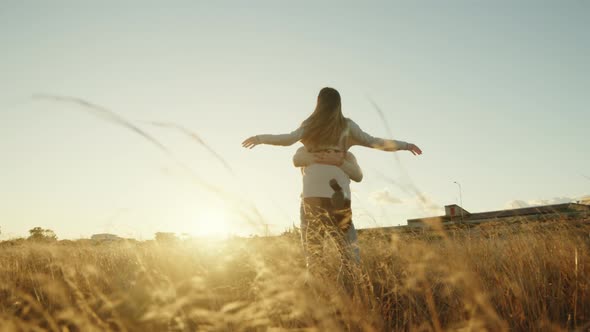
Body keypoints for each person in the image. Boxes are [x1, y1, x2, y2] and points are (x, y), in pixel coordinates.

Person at [242, 87, 422, 288]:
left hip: (312, 194)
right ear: (339, 105)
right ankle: (354, 292)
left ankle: (319, 297)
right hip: (338, 195)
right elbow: (374, 142)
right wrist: (406, 145)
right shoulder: (346, 126)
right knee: (349, 252)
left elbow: (287, 139)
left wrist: (259, 139)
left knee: (314, 252)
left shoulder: (310, 125)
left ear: (318, 102)